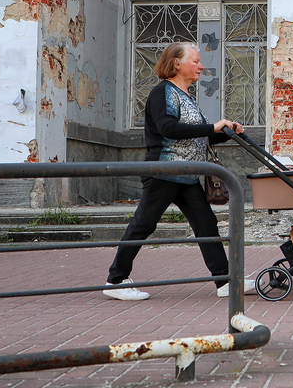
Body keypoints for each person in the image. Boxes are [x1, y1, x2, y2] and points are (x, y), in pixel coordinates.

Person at [103, 42, 255, 300]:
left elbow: (198, 138)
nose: (201, 66)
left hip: (187, 174)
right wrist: (212, 127)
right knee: (144, 224)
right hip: (163, 170)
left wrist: (226, 132)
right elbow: (168, 128)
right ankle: (116, 281)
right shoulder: (163, 92)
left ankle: (225, 281)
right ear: (176, 63)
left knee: (206, 224)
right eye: (195, 61)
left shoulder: (186, 96)